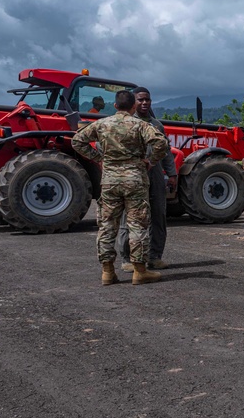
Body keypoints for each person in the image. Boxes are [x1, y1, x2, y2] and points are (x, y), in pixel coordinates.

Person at [71, 89, 169, 286]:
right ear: (133, 106)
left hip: (109, 181)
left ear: (115, 106)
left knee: (107, 225)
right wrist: (150, 160)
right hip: (135, 180)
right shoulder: (141, 125)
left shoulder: (102, 124)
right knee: (138, 224)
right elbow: (161, 143)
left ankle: (107, 272)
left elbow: (77, 141)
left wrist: (99, 158)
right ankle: (140, 271)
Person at [118, 87, 178, 272]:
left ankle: (154, 257)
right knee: (130, 216)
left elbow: (166, 151)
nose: (144, 103)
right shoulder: (125, 123)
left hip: (155, 174)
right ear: (132, 102)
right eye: (140, 100)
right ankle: (127, 258)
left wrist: (172, 174)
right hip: (133, 175)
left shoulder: (156, 125)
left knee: (159, 214)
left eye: (148, 100)